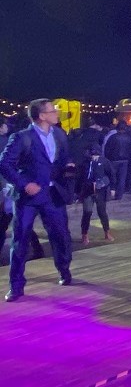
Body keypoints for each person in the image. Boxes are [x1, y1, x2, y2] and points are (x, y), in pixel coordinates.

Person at [0, 99, 77, 301]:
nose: (56, 113)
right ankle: (16, 286)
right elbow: (4, 164)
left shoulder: (59, 134)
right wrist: (24, 184)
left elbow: (63, 157)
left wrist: (68, 166)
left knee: (61, 235)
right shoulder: (22, 138)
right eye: (52, 111)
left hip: (53, 194)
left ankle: (64, 270)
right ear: (42, 116)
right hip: (29, 197)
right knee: (20, 240)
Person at [0, 122, 45, 264]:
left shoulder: (10, 141)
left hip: (9, 187)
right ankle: (37, 249)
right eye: (4, 125)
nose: (7, 127)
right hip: (12, 187)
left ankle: (36, 249)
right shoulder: (8, 141)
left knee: (9, 221)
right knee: (17, 221)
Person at [78, 144, 115, 244]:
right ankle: (84, 234)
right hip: (87, 190)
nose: (94, 157)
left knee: (102, 212)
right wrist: (78, 192)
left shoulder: (104, 162)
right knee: (87, 212)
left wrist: (112, 188)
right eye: (92, 155)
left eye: (96, 155)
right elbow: (80, 177)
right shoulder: (85, 163)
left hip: (100, 190)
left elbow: (111, 174)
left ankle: (107, 232)